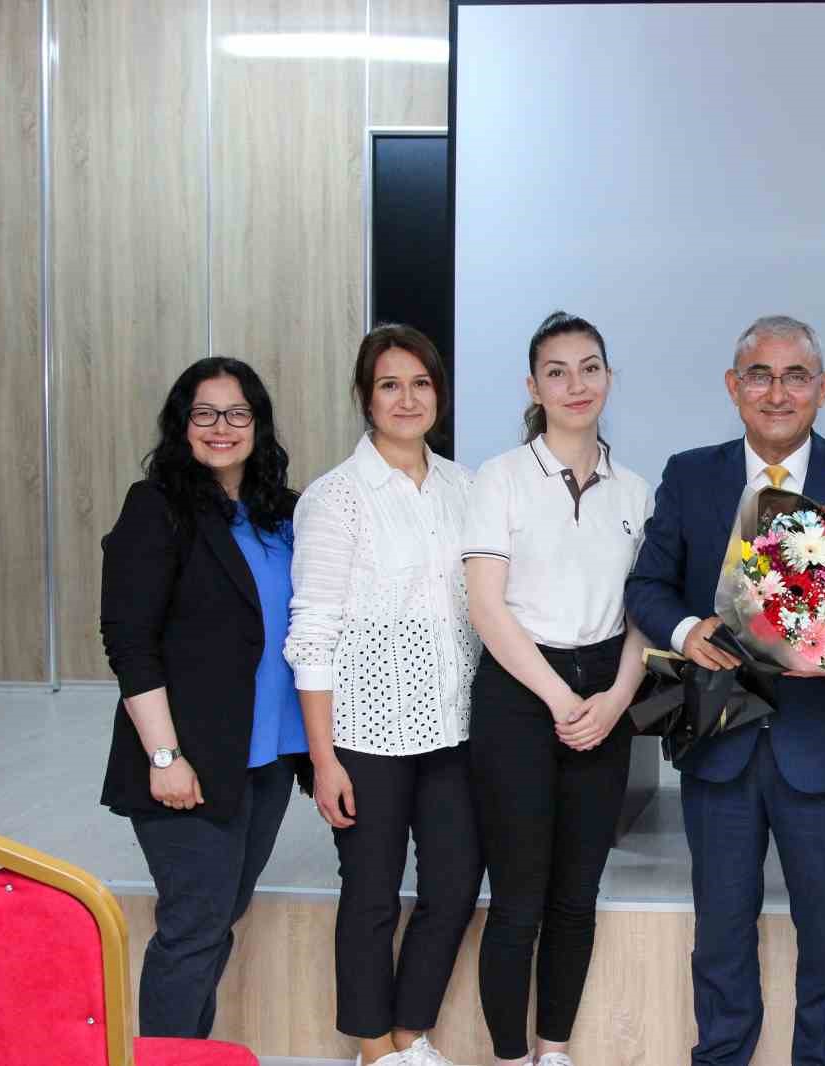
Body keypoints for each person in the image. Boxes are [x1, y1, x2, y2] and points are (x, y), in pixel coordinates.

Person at [625, 315, 825, 1066]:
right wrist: (687, 629)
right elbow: (648, 584)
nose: (776, 392)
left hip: (823, 748)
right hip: (718, 744)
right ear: (733, 386)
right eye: (759, 374)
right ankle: (720, 1055)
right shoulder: (691, 475)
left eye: (794, 376)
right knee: (720, 931)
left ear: (823, 388)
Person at [284, 325, 482, 1066]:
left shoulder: (467, 488)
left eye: (421, 384)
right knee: (371, 895)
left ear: (440, 393)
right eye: (390, 385)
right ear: (366, 398)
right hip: (365, 735)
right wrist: (323, 758)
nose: (408, 399)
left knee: (455, 885)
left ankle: (411, 1033)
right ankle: (374, 1048)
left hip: (455, 726)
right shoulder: (337, 498)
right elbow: (312, 631)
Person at [462, 312, 653, 1066]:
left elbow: (648, 610)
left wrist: (613, 700)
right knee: (518, 901)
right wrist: (556, 698)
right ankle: (510, 1058)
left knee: (577, 896)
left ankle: (555, 1051)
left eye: (590, 367)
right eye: (557, 371)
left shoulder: (635, 491)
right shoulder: (500, 479)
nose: (576, 385)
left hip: (607, 694)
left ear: (609, 377)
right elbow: (486, 606)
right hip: (519, 693)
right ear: (533, 386)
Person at [99, 356, 308, 1037]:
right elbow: (130, 643)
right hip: (188, 762)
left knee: (216, 920)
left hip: (270, 757)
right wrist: (164, 757)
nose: (223, 427)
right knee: (193, 930)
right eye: (205, 413)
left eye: (238, 412)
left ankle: (188, 1053)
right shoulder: (156, 508)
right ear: (181, 424)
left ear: (259, 424)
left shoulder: (281, 516)